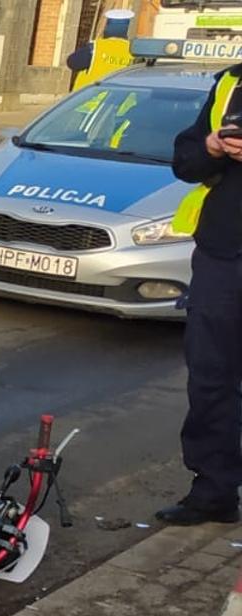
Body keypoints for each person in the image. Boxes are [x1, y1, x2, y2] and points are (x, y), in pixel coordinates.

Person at [160, 62, 242, 526]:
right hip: (222, 253)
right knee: (210, 379)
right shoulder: (232, 82)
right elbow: (185, 160)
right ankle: (214, 490)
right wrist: (212, 146)